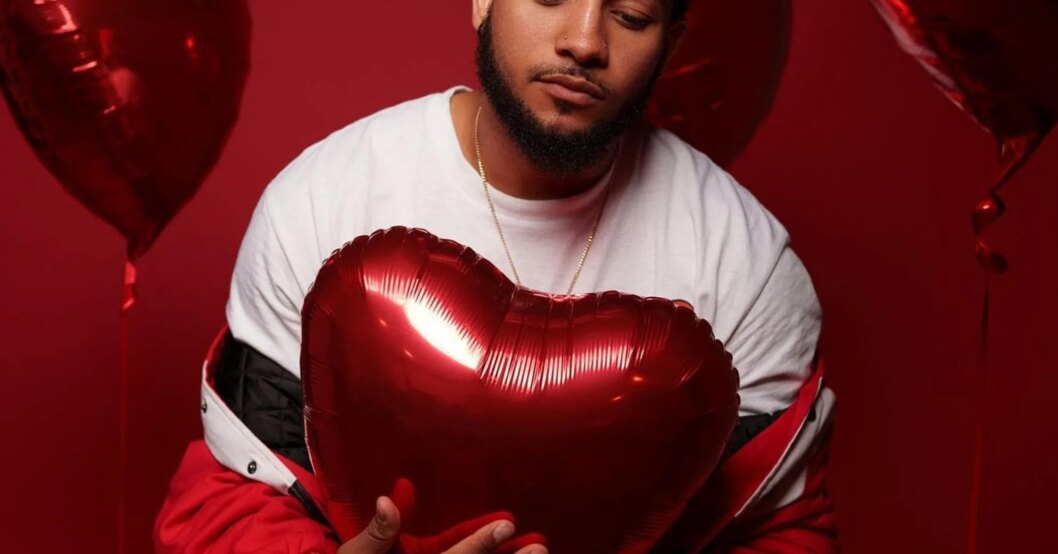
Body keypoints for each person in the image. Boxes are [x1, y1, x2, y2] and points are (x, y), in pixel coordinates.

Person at [155, 0, 837, 552]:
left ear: (671, 43)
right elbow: (229, 500)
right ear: (483, 3)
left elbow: (780, 532)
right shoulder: (321, 202)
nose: (584, 41)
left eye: (630, 16)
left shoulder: (745, 264)